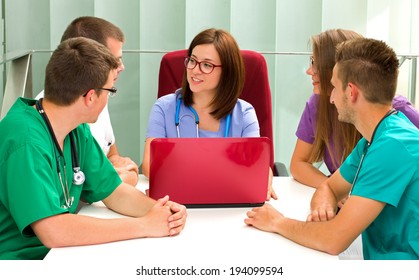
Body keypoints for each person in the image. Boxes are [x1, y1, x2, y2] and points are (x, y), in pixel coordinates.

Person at [0, 37, 187, 260]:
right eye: (110, 90)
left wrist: (160, 211)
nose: (109, 97)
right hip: (19, 263)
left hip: (60, 255)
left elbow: (114, 192)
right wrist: (144, 226)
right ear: (90, 97)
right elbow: (53, 230)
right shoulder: (25, 141)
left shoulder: (76, 130)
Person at [245, 38, 419, 260]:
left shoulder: (393, 147)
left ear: (351, 92)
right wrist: (324, 204)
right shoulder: (375, 137)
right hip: (376, 252)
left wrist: (277, 222)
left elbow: (333, 240)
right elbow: (329, 186)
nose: (331, 97)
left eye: (334, 87)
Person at [141, 28, 276, 200]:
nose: (195, 70)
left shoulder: (244, 113)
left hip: (228, 204)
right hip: (177, 204)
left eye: (207, 65)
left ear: (227, 72)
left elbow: (257, 168)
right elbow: (149, 166)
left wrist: (264, 178)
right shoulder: (164, 107)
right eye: (192, 61)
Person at [290, 29, 419, 189]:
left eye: (315, 63)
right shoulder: (317, 104)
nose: (309, 71)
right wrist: (331, 190)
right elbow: (298, 164)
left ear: (337, 69)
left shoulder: (396, 112)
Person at [37, 16, 139, 186]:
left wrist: (114, 176)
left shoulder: (98, 97)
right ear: (89, 56)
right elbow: (89, 185)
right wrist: (123, 177)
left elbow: (112, 158)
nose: (122, 67)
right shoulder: (50, 117)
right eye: (115, 60)